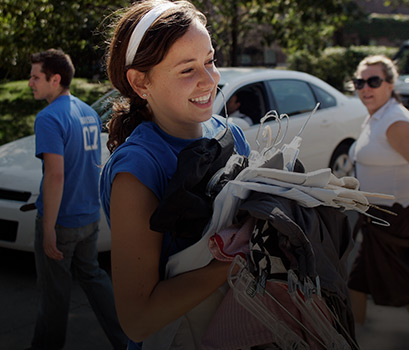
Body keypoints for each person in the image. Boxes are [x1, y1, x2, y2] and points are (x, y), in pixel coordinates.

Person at [100, 1, 250, 348]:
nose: (210, 79)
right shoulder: (137, 171)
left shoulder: (229, 134)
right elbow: (137, 321)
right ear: (140, 82)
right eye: (187, 70)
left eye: (210, 60)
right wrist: (237, 260)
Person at [27, 48, 127, 350]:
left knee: (54, 294)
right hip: (89, 216)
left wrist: (48, 228)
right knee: (93, 277)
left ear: (55, 79)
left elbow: (56, 176)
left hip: (63, 221)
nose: (30, 82)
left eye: (35, 76)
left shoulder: (48, 118)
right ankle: (126, 340)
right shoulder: (87, 112)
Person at [348, 55, 409, 350]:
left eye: (374, 82)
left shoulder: (396, 121)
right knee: (356, 282)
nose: (366, 88)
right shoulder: (376, 115)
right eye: (360, 82)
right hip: (376, 217)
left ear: (390, 84)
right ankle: (354, 339)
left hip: (395, 218)